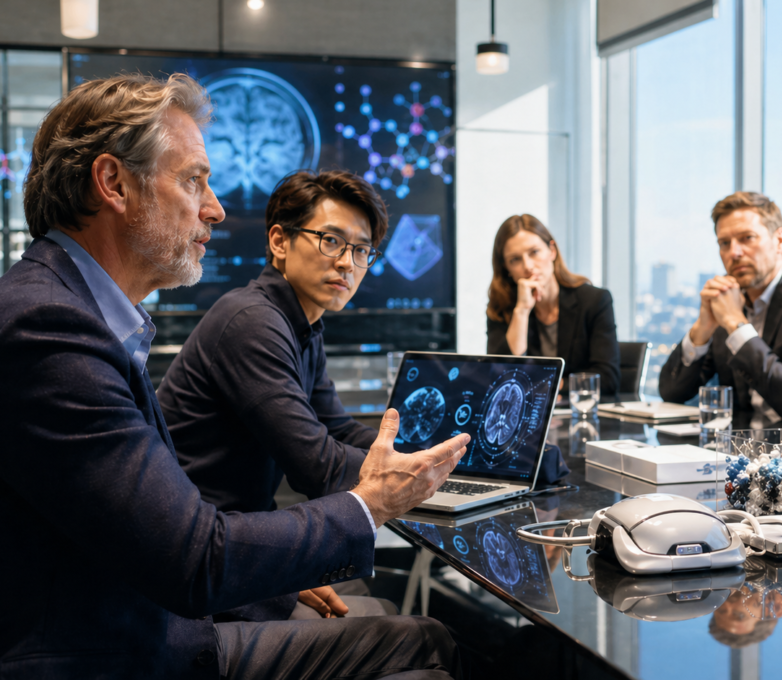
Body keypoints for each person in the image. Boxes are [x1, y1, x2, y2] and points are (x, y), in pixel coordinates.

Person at [0, 73, 469, 679]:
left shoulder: (74, 311)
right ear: (113, 183)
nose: (216, 209)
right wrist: (372, 504)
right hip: (125, 652)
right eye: (194, 180)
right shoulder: (51, 328)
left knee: (422, 639)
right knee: (427, 647)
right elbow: (197, 559)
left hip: (156, 611)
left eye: (360, 250)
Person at [157, 170, 386, 621]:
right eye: (331, 240)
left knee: (370, 594)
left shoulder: (301, 324)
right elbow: (317, 466)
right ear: (280, 242)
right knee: (400, 620)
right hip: (205, 568)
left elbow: (336, 427)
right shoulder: (252, 320)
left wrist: (428, 457)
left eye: (361, 250)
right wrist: (417, 476)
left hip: (239, 545)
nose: (347, 263)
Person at [658, 191, 782, 426]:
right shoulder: (729, 300)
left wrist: (734, 323)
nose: (734, 252)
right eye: (724, 243)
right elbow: (671, 393)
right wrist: (702, 329)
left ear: (780, 241)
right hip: (740, 450)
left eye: (747, 238)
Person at [486, 214, 621, 396]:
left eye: (534, 252)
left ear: (552, 251)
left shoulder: (594, 301)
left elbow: (608, 377)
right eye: (515, 260)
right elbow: (501, 376)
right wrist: (522, 311)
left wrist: (551, 385)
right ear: (506, 269)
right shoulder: (502, 309)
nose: (528, 266)